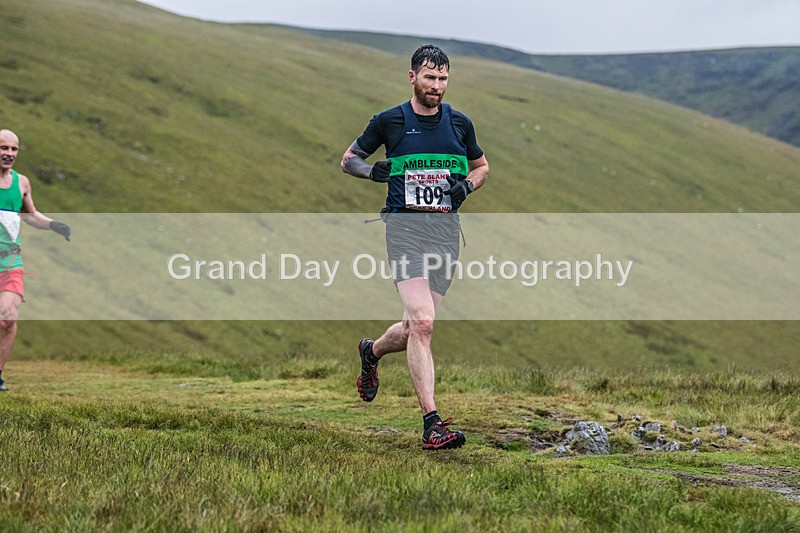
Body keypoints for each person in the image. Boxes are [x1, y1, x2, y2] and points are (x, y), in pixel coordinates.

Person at [340, 45, 489, 450]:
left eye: (442, 79)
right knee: (423, 323)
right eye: (429, 78)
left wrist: (467, 186)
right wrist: (372, 171)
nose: (436, 86)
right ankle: (432, 424)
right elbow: (348, 159)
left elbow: (481, 166)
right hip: (404, 230)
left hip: (445, 233)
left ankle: (371, 351)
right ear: (412, 78)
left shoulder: (459, 123)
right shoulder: (389, 121)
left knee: (412, 329)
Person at [0, 129, 71, 392]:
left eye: (13, 149)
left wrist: (54, 225)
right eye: (3, 148)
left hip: (9, 264)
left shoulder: (22, 183)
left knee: (7, 318)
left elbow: (29, 215)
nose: (8, 154)